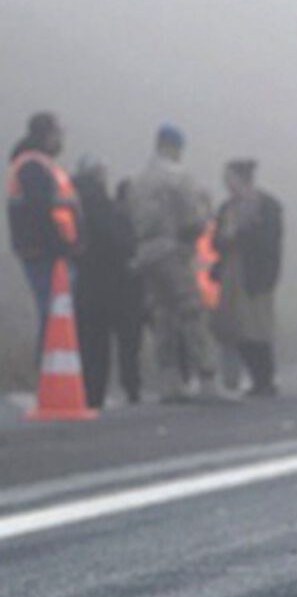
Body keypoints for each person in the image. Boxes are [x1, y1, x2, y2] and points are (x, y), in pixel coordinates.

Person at [128, 124, 224, 402]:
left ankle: (169, 383)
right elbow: (194, 219)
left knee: (163, 316)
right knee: (191, 312)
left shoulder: (139, 181)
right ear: (174, 147)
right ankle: (208, 379)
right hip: (173, 251)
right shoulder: (179, 176)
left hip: (147, 254)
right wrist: (201, 224)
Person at [72, 159, 145, 408]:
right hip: (116, 283)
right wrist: (131, 255)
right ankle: (131, 387)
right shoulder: (102, 206)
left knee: (92, 342)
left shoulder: (71, 203)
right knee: (127, 339)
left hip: (85, 281)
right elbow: (117, 240)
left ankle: (93, 393)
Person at [6, 111, 81, 350]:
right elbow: (39, 210)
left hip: (49, 251)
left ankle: (55, 364)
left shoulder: (39, 164)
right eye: (57, 134)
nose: (60, 140)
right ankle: (49, 365)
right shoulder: (32, 165)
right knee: (52, 313)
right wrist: (59, 245)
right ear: (46, 135)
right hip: (45, 253)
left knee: (55, 313)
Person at [210, 159, 284, 397]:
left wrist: (239, 235)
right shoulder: (226, 209)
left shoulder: (267, 205)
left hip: (255, 274)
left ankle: (265, 378)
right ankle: (254, 377)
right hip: (231, 272)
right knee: (235, 326)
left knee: (257, 326)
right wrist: (225, 239)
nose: (226, 183)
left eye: (230, 177)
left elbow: (269, 241)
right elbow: (215, 241)